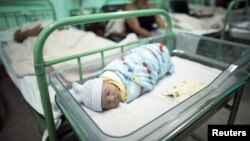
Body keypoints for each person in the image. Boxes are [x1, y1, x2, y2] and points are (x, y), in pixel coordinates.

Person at [72, 42, 174, 112]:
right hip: (151, 70)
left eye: (108, 93)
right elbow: (141, 85)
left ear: (104, 81)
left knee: (147, 55)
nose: (112, 98)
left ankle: (158, 53)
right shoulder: (126, 95)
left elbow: (125, 62)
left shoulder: (112, 73)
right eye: (108, 103)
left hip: (143, 58)